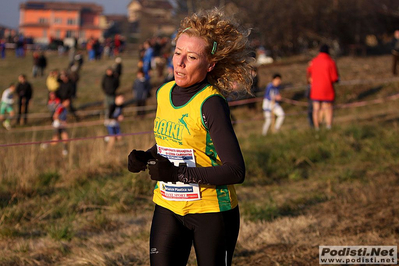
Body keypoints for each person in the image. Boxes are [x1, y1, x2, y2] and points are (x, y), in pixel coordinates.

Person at [127, 8, 252, 266]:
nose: (180, 63)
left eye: (191, 57)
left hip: (212, 212)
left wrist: (177, 174)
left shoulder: (211, 103)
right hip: (168, 206)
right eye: (177, 52)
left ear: (210, 65)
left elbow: (235, 171)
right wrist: (146, 156)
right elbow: (174, 143)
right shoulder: (163, 93)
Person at [307, 44, 339, 130]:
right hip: (327, 88)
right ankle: (328, 126)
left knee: (316, 108)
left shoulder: (313, 61)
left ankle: (317, 127)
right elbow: (334, 78)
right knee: (328, 108)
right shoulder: (331, 62)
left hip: (315, 89)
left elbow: (309, 73)